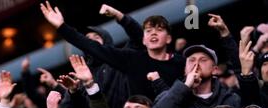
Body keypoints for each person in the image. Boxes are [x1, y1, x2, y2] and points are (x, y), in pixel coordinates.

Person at [40, 1, 184, 101]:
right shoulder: (131, 58)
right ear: (144, 39)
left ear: (169, 38)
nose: (153, 34)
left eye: (159, 30)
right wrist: (61, 27)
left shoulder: (182, 62)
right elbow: (90, 46)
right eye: (148, 31)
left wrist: (119, 15)